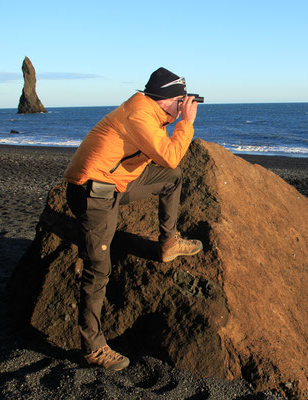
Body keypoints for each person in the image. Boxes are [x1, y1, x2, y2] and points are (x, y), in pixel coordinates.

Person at [63, 67, 203, 371]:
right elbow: (169, 154)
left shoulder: (154, 113)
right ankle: (93, 349)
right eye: (180, 99)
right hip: (93, 194)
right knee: (98, 269)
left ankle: (168, 243)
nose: (184, 104)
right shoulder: (139, 114)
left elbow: (166, 164)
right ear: (166, 100)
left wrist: (175, 119)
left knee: (172, 177)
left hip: (116, 185)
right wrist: (186, 123)